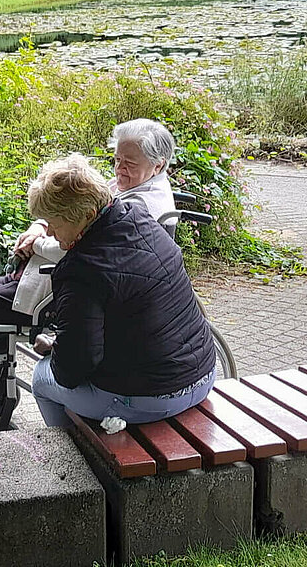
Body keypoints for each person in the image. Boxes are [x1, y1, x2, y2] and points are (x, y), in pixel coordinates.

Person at [0, 118, 179, 433]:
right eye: (116, 160)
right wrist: (41, 225)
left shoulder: (143, 206)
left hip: (78, 287)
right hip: (65, 275)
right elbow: (77, 210)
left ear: (157, 167)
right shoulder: (131, 185)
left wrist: (38, 243)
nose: (118, 169)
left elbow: (85, 247)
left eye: (128, 163)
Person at [26, 154, 217, 426]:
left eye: (55, 226)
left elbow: (71, 371)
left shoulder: (80, 269)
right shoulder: (140, 217)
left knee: (42, 378)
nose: (53, 235)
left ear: (87, 215)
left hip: (153, 397)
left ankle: (72, 455)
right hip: (204, 375)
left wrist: (56, 350)